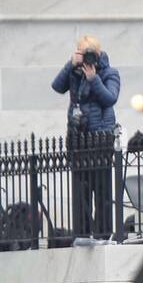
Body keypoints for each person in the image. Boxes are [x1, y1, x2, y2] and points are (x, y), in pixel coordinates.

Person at [51, 35, 121, 238]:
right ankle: (82, 235)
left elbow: (110, 98)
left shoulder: (110, 73)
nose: (86, 57)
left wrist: (94, 79)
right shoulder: (75, 72)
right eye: (82, 52)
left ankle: (103, 235)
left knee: (102, 193)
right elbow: (56, 87)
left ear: (98, 54)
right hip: (78, 139)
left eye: (88, 53)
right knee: (80, 194)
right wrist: (70, 64)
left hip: (100, 140)